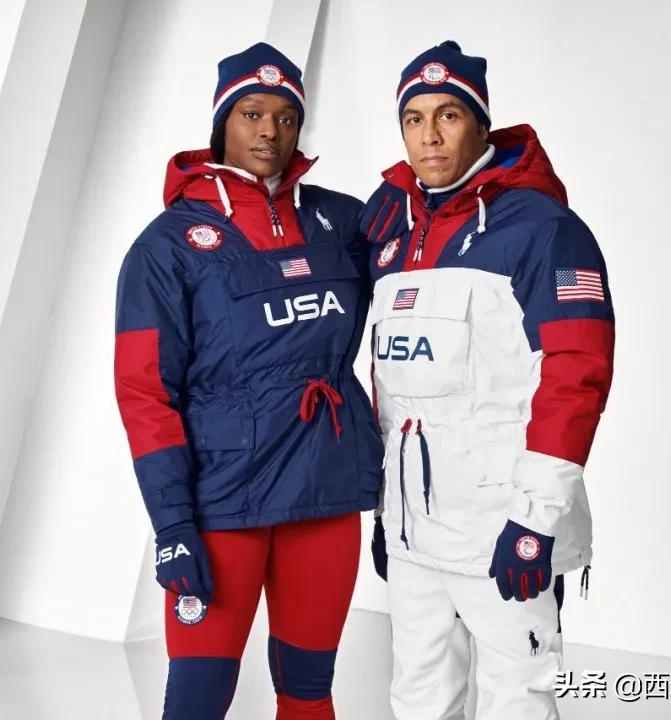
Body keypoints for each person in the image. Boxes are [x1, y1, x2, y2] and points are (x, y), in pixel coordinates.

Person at [113, 42, 382, 720]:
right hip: (221, 505)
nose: (270, 132)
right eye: (252, 113)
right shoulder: (166, 246)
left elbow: (435, 236)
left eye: (286, 118)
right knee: (197, 699)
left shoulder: (342, 223)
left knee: (309, 690)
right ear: (222, 123)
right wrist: (173, 524)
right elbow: (145, 393)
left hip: (324, 493)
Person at [361, 41, 616, 719]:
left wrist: (535, 520)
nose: (429, 135)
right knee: (418, 692)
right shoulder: (391, 230)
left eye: (448, 115)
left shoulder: (544, 228)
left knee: (517, 698)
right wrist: (386, 512)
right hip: (413, 530)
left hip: (502, 526)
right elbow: (391, 385)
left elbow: (577, 374)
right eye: (413, 119)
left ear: (480, 123)